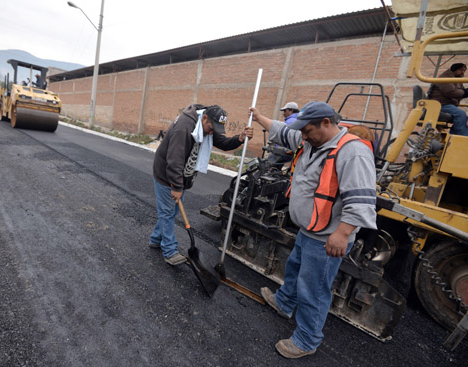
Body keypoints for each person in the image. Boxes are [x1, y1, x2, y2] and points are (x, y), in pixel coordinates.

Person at [249, 101, 377, 359]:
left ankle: (307, 339)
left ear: (326, 123)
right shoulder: (311, 140)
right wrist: (258, 116)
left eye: (307, 131)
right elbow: (283, 131)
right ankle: (284, 302)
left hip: (327, 236)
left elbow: (361, 200)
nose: (303, 136)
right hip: (310, 229)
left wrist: (342, 234)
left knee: (314, 288)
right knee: (295, 268)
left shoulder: (352, 152)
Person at [150, 104, 254, 265]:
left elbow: (223, 142)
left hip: (182, 176)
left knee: (171, 210)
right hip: (167, 174)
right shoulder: (184, 127)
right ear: (204, 118)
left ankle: (156, 238)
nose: (211, 133)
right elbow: (174, 160)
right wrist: (176, 187)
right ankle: (169, 251)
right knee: (168, 212)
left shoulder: (206, 126)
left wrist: (239, 138)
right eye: (211, 129)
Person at [428, 63, 468, 136]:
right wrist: (465, 92)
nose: (462, 73)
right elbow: (451, 92)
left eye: (464, 71)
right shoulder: (445, 78)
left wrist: (465, 93)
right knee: (460, 114)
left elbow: (460, 93)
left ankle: (454, 137)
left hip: (448, 104)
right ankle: (463, 137)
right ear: (454, 69)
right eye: (461, 70)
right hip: (440, 104)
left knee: (465, 118)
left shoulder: (456, 79)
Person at [267, 102, 299, 169]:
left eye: (285, 110)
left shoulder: (291, 121)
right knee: (276, 168)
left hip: (284, 152)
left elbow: (284, 136)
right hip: (288, 152)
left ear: (291, 110)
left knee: (267, 165)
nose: (283, 113)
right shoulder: (296, 120)